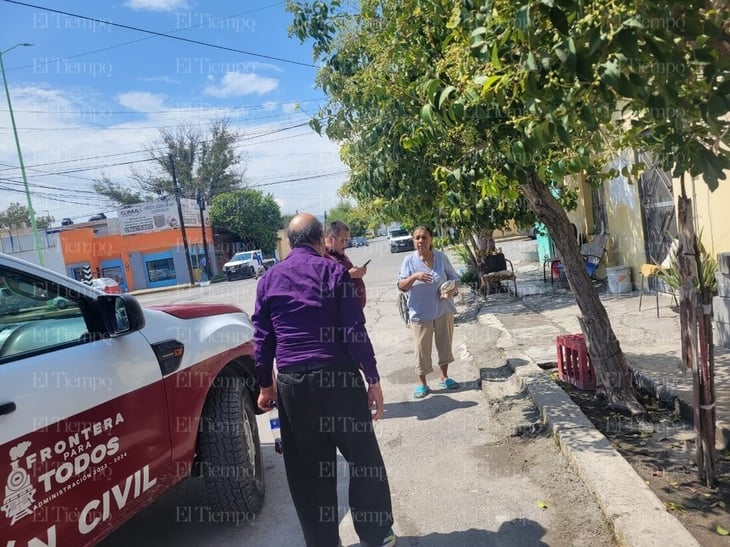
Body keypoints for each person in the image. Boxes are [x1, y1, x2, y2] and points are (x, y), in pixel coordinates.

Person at [253, 213, 396, 547]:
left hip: (293, 386)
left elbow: (262, 340)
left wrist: (265, 385)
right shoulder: (333, 272)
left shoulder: (269, 280)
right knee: (364, 461)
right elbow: (353, 330)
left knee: (309, 473)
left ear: (289, 243)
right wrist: (372, 379)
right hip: (338, 381)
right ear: (321, 241)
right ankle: (376, 536)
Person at [397, 225, 461, 399]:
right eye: (417, 238)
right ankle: (422, 384)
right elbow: (401, 286)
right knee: (421, 350)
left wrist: (450, 290)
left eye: (424, 237)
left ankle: (444, 377)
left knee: (445, 345)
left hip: (443, 310)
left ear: (431, 239)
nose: (420, 241)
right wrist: (414, 277)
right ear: (413, 240)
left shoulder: (441, 257)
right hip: (420, 313)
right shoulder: (409, 261)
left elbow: (455, 278)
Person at [325, 220, 368, 309]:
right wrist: (349, 275)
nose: (345, 244)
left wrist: (358, 273)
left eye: (347, 240)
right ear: (331, 239)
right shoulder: (322, 257)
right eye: (342, 240)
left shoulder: (339, 254)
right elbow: (325, 285)